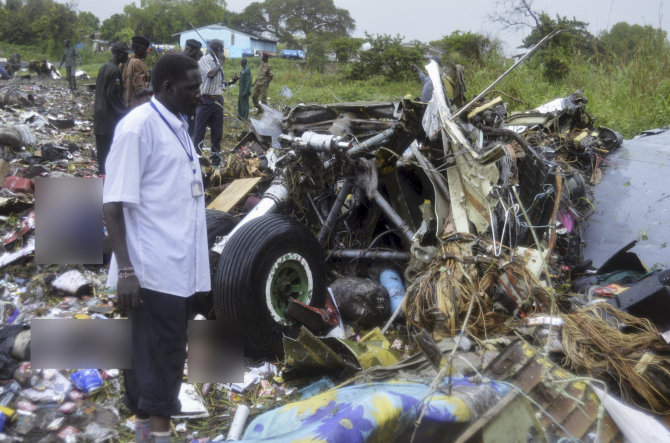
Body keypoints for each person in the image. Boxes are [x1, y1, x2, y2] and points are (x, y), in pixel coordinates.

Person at [103, 53, 208, 443]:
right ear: (166, 88)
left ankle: (144, 434)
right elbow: (112, 205)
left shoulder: (178, 124)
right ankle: (159, 436)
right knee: (160, 360)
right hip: (151, 270)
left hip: (177, 266)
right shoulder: (137, 128)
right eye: (192, 88)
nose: (200, 95)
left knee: (153, 358)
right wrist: (127, 272)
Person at [193, 39, 237, 161]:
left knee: (217, 133)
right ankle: (197, 160)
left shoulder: (218, 62)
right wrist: (220, 64)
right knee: (199, 132)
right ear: (217, 49)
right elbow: (210, 74)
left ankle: (216, 160)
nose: (222, 52)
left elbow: (218, 84)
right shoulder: (204, 60)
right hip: (205, 101)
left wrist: (231, 82)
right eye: (221, 49)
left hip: (218, 100)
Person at [93, 43, 131, 176]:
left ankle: (102, 178)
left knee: (101, 153)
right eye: (125, 53)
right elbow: (113, 95)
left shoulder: (104, 67)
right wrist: (125, 112)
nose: (127, 56)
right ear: (118, 53)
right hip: (108, 118)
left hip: (99, 116)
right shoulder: (115, 71)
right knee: (109, 153)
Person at [123, 36, 152, 109]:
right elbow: (140, 91)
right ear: (136, 48)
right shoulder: (138, 63)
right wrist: (155, 90)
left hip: (126, 103)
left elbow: (117, 81)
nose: (147, 52)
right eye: (145, 49)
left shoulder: (127, 60)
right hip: (137, 105)